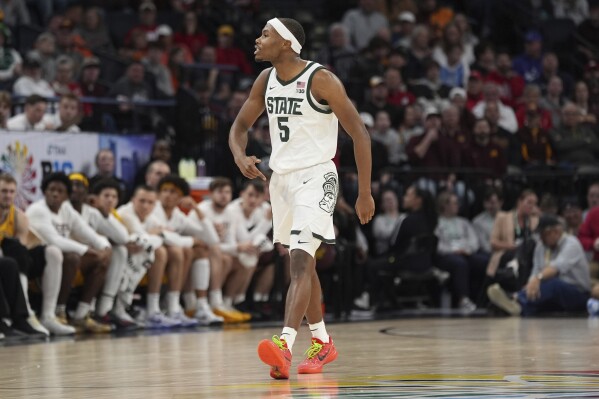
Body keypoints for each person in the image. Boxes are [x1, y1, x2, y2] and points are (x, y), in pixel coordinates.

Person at [229, 18, 374, 379]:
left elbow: (360, 134)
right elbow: (239, 127)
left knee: (298, 261)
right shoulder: (265, 81)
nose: (258, 39)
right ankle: (322, 342)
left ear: (288, 44)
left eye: (266, 35)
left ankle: (284, 344)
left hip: (317, 176)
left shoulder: (320, 79)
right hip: (282, 181)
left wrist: (365, 193)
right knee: (303, 264)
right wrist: (239, 154)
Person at [25, 172, 113, 333]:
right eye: (51, 189)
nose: (55, 194)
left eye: (60, 191)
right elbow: (55, 241)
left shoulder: (66, 209)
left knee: (103, 260)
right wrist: (90, 251)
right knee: (71, 257)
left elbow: (86, 232)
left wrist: (104, 247)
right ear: (44, 191)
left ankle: (81, 315)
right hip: (38, 265)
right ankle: (59, 312)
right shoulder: (37, 210)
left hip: (59, 261)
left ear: (66, 195)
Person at [0, 174, 74, 336]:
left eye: (12, 192)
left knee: (52, 252)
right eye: (4, 191)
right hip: (6, 265)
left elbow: (21, 248)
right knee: (11, 255)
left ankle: (48, 315)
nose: (8, 195)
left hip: (14, 266)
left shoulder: (19, 217)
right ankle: (26, 313)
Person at [488, 215, 591, 316]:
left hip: (577, 293)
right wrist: (530, 285)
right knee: (539, 295)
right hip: (550, 292)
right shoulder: (541, 246)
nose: (541, 238)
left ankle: (516, 299)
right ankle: (514, 308)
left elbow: (555, 268)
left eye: (544, 234)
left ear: (556, 231)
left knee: (554, 284)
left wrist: (537, 279)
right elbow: (535, 270)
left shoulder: (571, 243)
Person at [435, 191, 488, 312]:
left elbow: (474, 240)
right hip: (446, 254)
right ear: (444, 205)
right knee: (460, 264)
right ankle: (463, 299)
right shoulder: (437, 223)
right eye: (454, 203)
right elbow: (437, 245)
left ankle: (484, 298)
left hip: (466, 252)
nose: (457, 206)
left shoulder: (463, 222)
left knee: (484, 261)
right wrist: (454, 250)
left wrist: (468, 249)